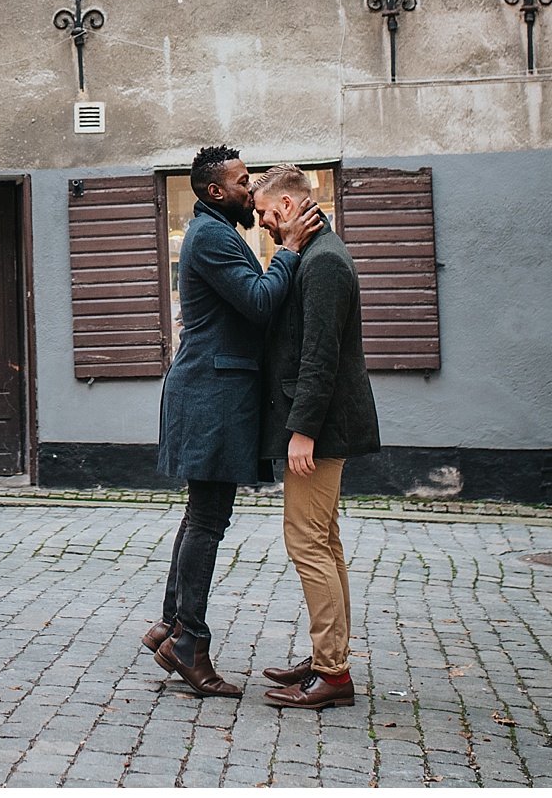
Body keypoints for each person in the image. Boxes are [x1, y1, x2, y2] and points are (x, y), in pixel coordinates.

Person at [144, 145, 321, 698]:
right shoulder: (213, 236)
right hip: (211, 396)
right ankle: (189, 645)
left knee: (201, 515)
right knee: (208, 520)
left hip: (213, 393)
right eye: (245, 183)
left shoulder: (219, 230)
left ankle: (171, 626)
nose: (253, 190)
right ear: (217, 191)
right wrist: (289, 249)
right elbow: (261, 302)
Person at [249, 166, 381, 711]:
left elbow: (320, 356)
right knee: (324, 541)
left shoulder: (324, 261)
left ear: (285, 205)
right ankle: (330, 657)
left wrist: (300, 432)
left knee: (307, 542)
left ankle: (333, 674)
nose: (259, 222)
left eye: (262, 213)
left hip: (319, 432)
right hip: (322, 428)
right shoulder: (316, 253)